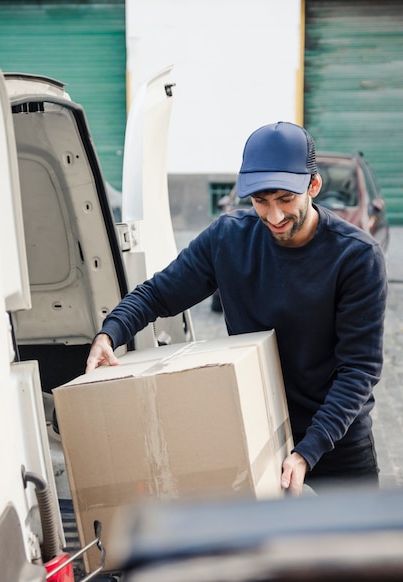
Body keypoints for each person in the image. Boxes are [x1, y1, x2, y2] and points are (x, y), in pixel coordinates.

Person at [86, 121, 387, 496]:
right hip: (259, 437)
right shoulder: (228, 238)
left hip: (338, 444)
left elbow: (359, 369)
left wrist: (306, 452)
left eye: (284, 199)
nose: (274, 216)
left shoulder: (356, 256)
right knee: (270, 554)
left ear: (313, 186)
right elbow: (157, 294)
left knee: (354, 553)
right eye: (261, 201)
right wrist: (109, 332)